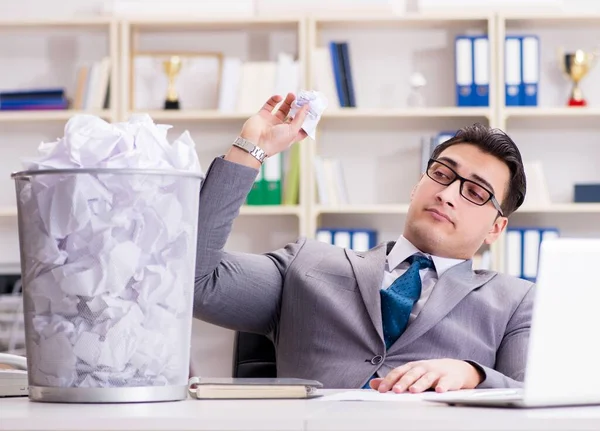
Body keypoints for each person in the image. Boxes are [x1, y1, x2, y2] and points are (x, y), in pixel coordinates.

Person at [193, 93, 533, 394]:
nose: (447, 195)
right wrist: (252, 148)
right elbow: (193, 280)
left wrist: (472, 374)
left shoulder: (516, 302)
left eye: (475, 192)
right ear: (418, 185)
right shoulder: (307, 263)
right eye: (442, 175)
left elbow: (537, 398)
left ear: (496, 228)